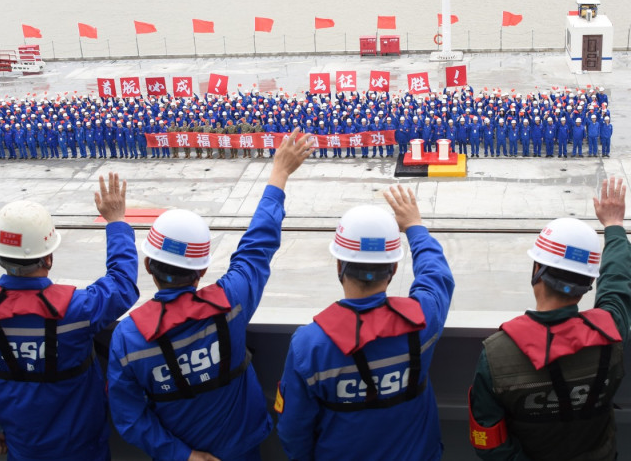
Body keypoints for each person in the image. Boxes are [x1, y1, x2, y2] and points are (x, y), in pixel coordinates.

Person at [108, 129, 313, 461]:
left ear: (148, 264)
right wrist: (279, 173)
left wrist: (183, 455)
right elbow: (257, 247)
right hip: (242, 449)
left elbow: (129, 417)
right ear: (202, 270)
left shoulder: (128, 338)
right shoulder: (229, 304)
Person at [0, 173, 138, 461]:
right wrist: (116, 222)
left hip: (22, 446)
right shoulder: (78, 309)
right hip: (83, 446)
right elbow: (122, 284)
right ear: (49, 257)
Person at [275, 185, 455, 461]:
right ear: (394, 268)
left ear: (339, 266)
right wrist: (415, 227)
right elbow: (436, 276)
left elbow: (293, 430)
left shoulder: (309, 346)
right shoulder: (423, 321)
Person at [468, 177, 630, 461]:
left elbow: (488, 442)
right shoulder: (612, 331)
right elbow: (618, 283)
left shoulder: (496, 355)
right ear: (589, 283)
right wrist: (614, 225)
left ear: (537, 269)